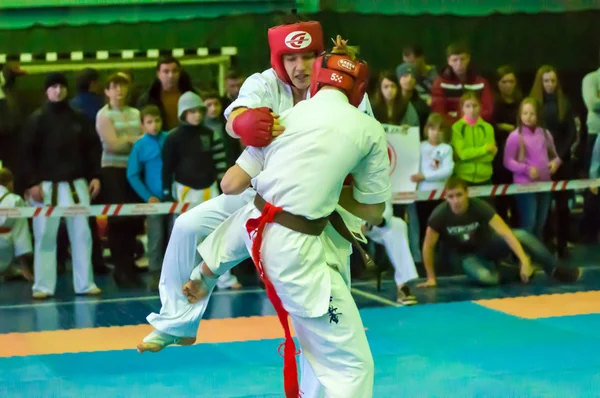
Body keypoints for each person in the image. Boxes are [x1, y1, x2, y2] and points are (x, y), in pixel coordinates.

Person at [138, 19, 375, 398]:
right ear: (278, 59)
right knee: (187, 225)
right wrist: (243, 122)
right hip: (261, 194)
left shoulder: (345, 94)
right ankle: (177, 320)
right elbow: (235, 119)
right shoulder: (264, 82)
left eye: (309, 56)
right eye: (291, 57)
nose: (300, 67)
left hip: (317, 211)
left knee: (320, 320)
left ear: (323, 59)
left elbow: (369, 147)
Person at [417, 176, 581, 288]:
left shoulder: (479, 206)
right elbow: (428, 246)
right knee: (487, 278)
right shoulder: (439, 215)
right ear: (446, 198)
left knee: (521, 234)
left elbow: (506, 233)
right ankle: (512, 272)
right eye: (451, 197)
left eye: (459, 195)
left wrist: (524, 260)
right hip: (467, 257)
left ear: (467, 193)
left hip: (489, 245)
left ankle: (553, 268)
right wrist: (431, 277)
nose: (456, 201)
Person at [22, 72, 102, 299]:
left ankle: (85, 284)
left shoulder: (79, 118)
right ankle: (43, 286)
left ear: (67, 90)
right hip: (45, 187)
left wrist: (95, 176)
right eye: (53, 86)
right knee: (45, 236)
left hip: (77, 185)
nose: (58, 90)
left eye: (61, 86)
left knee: (82, 235)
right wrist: (31, 183)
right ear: (46, 91)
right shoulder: (36, 119)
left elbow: (93, 150)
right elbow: (26, 154)